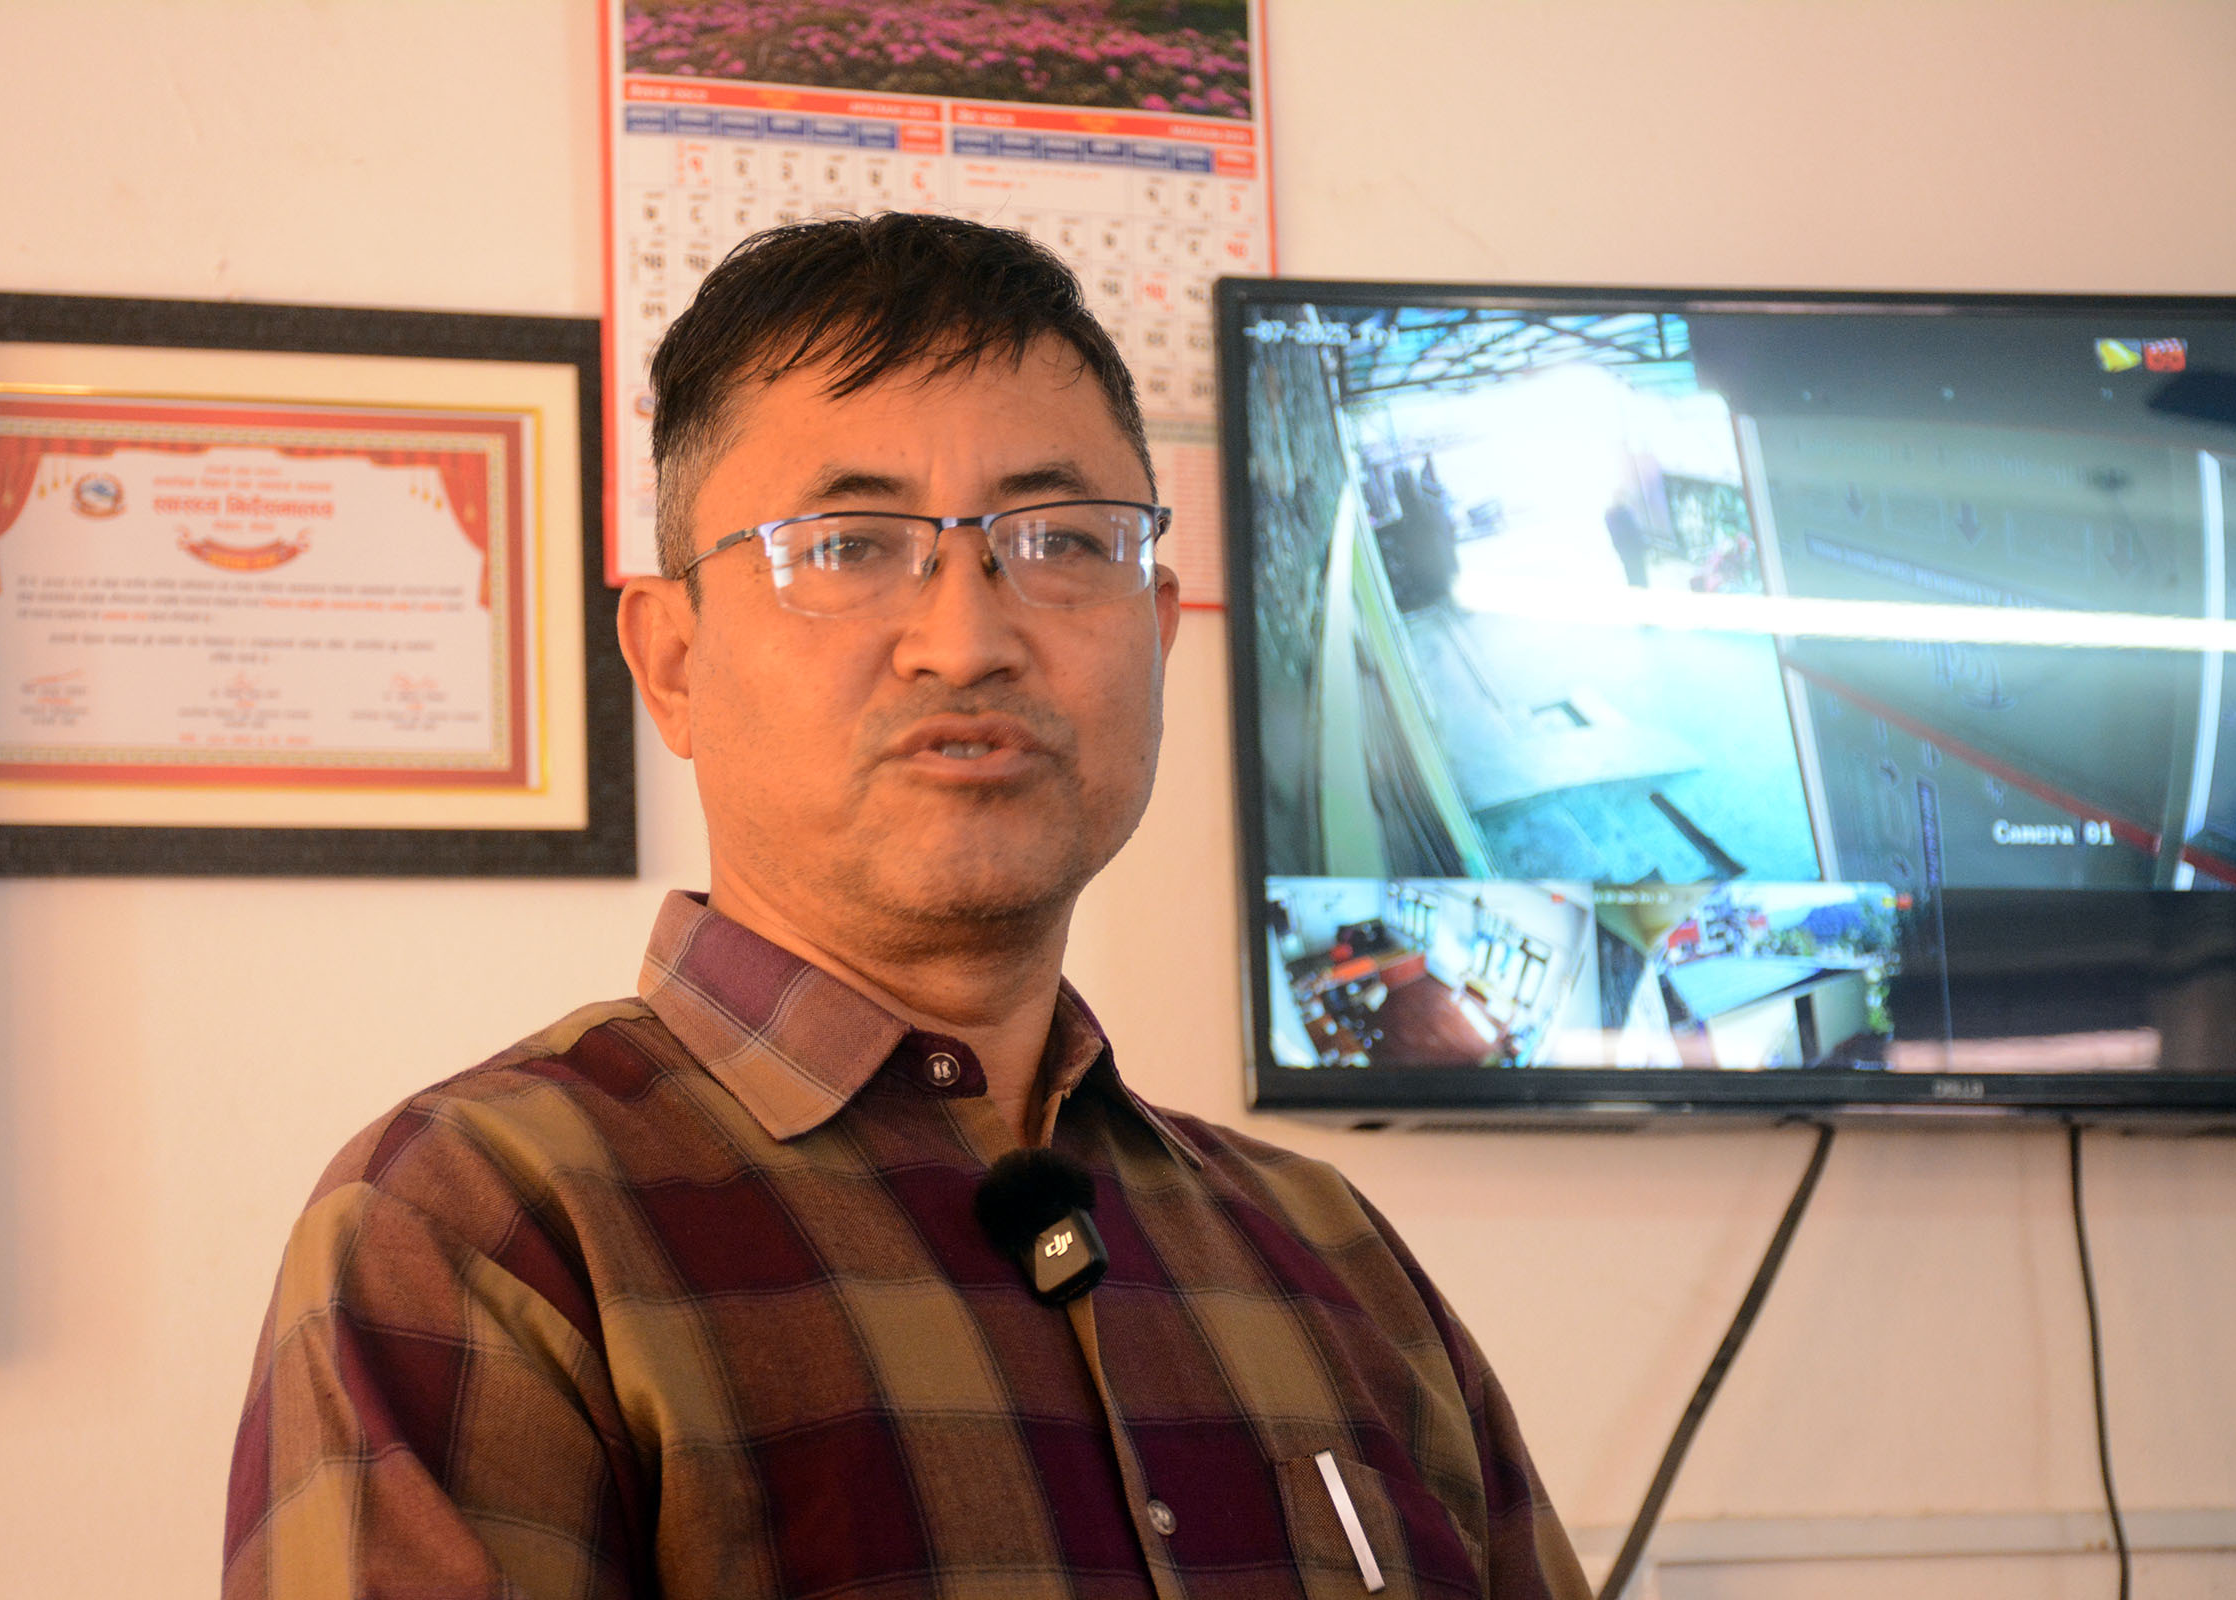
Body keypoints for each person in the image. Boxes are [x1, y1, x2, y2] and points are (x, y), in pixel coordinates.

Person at [223, 213, 1587, 1600]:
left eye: (1062, 540)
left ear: (1160, 631)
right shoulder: (484, 1228)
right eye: (847, 546)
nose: (967, 640)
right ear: (674, 663)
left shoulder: (1333, 1256)